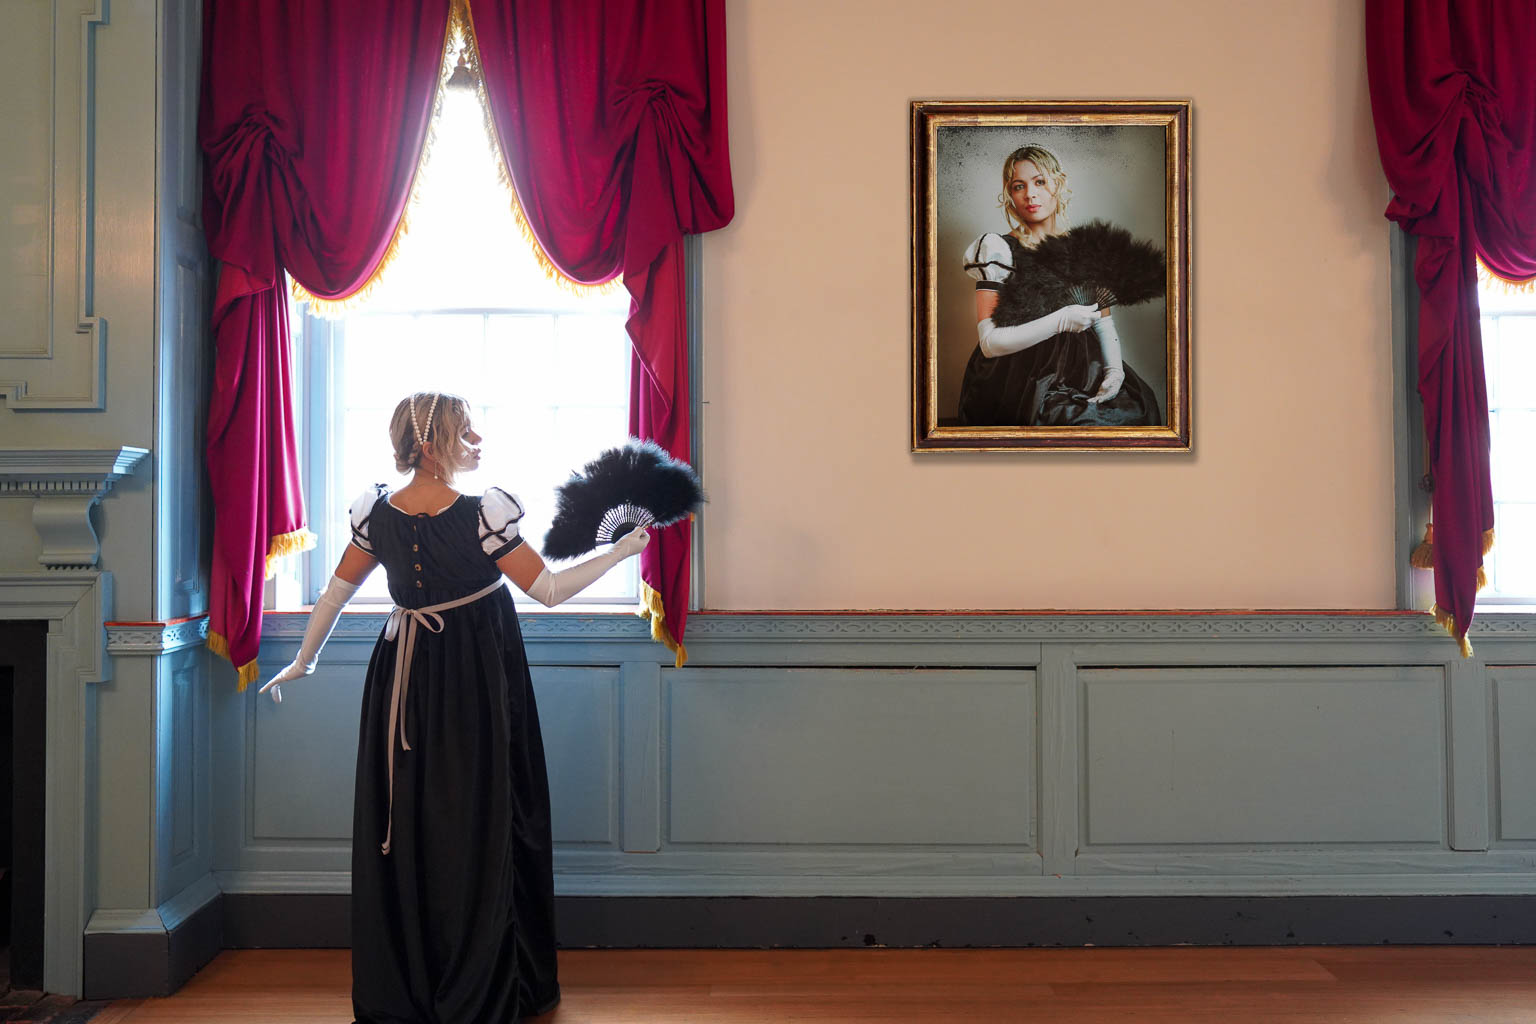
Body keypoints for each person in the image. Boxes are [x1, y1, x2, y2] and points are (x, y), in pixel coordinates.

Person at [259, 391, 649, 1023]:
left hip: (402, 682)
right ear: (432, 444)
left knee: (414, 820)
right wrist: (620, 553)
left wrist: (306, 659)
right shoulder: (481, 516)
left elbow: (333, 595)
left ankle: (415, 983)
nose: (478, 443)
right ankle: (475, 983)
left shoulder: (379, 514)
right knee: (476, 818)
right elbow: (549, 590)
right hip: (472, 685)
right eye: (468, 433)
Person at [959, 144, 1162, 427]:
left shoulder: (1086, 250)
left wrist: (1114, 372)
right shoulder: (998, 250)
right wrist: (1061, 320)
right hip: (1020, 378)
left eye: (1040, 182)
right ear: (1010, 195)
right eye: (1019, 186)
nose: (1030, 194)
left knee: (1139, 408)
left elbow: (1103, 323)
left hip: (1082, 369)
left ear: (1058, 184)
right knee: (1073, 423)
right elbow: (990, 343)